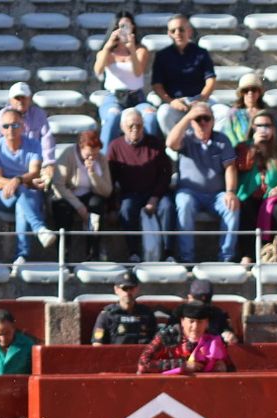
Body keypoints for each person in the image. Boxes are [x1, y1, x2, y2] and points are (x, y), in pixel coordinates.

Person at [166, 100, 239, 264]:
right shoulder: (186, 139)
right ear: (192, 121)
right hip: (190, 192)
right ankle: (187, 258)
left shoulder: (222, 140)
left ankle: (226, 258)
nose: (203, 122)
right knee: (183, 203)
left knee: (232, 206)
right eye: (198, 119)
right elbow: (170, 143)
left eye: (206, 118)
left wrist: (231, 192)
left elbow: (230, 167)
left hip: (216, 195)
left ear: (213, 120)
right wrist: (189, 117)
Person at [0, 106, 52, 268]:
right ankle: (39, 229)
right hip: (5, 195)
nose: (10, 130)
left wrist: (17, 180)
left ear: (22, 126)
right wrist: (15, 182)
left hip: (27, 193)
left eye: (15, 125)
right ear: (1, 128)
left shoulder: (34, 144)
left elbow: (35, 172)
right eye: (6, 126)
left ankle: (21, 257)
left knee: (22, 203)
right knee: (22, 192)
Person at [108, 108, 171, 264]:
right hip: (130, 193)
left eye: (139, 125)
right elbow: (110, 177)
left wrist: (155, 197)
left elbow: (166, 173)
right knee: (127, 208)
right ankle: (133, 252)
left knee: (167, 207)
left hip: (155, 192)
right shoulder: (115, 146)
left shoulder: (155, 144)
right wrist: (110, 207)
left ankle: (169, 252)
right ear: (123, 128)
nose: (135, 129)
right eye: (131, 126)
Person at [235, 111, 277, 262]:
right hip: (250, 194)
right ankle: (248, 254)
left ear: (274, 128)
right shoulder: (243, 147)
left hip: (273, 195)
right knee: (244, 207)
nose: (263, 129)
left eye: (267, 125)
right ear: (253, 128)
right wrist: (254, 147)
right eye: (259, 126)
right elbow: (241, 166)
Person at [150, 14, 216, 137]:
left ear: (189, 31)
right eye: (173, 30)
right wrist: (171, 102)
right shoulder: (162, 56)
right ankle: (175, 149)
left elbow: (210, 80)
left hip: (199, 99)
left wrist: (201, 100)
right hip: (175, 102)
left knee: (223, 112)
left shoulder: (202, 53)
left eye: (181, 29)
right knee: (164, 114)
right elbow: (157, 85)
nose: (177, 33)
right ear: (169, 34)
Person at [49, 128, 112, 258]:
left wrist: (93, 173)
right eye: (88, 154)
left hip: (90, 195)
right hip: (68, 195)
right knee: (62, 209)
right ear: (80, 147)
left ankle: (93, 252)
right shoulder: (68, 154)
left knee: (97, 206)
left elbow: (107, 191)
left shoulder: (101, 159)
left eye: (94, 154)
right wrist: (78, 205)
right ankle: (63, 252)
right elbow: (58, 184)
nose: (92, 158)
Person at [94, 10, 151, 139]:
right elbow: (98, 70)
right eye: (120, 27)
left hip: (136, 96)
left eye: (127, 26)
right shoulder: (107, 52)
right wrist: (108, 46)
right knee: (113, 116)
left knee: (150, 116)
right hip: (114, 96)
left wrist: (131, 49)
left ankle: (153, 155)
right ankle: (105, 155)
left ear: (133, 28)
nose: (123, 30)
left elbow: (138, 72)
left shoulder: (140, 50)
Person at [138, 302, 233, 376]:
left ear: (207, 323)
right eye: (191, 321)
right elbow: (143, 364)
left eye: (200, 322)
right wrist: (181, 365)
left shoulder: (214, 340)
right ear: (182, 321)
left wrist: (224, 367)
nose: (195, 327)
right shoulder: (168, 336)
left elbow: (232, 368)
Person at [91, 277, 160, 346]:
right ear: (116, 289)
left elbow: (156, 341)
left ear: (137, 289)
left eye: (131, 288)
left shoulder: (147, 313)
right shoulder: (107, 315)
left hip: (141, 355)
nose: (128, 292)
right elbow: (97, 343)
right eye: (125, 288)